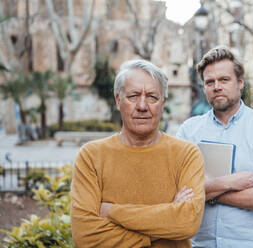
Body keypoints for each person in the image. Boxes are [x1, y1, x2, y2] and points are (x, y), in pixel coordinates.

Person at [71, 59, 205, 248]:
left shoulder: (186, 154)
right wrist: (159, 230)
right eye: (133, 96)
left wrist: (112, 212)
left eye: (152, 97)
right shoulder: (91, 156)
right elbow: (85, 236)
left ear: (163, 103)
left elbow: (187, 222)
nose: (142, 106)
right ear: (118, 100)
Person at [177, 46, 253, 248]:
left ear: (240, 83)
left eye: (224, 80)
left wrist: (208, 193)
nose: (216, 86)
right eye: (210, 82)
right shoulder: (188, 130)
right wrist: (229, 182)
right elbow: (178, 193)